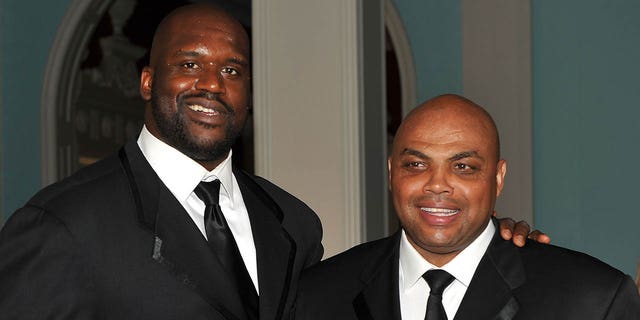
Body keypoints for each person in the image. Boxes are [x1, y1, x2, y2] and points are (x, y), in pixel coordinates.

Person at [0, 4, 543, 320]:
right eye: (190, 64)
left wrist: (485, 246)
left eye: (233, 71)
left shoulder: (292, 223)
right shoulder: (63, 228)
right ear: (147, 81)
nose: (212, 83)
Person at [294, 94, 640, 319]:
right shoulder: (317, 296)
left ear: (498, 178)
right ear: (390, 173)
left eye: (464, 167)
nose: (437, 184)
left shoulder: (594, 300)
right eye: (415, 164)